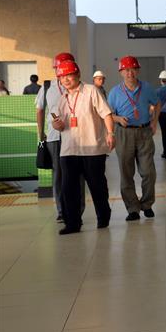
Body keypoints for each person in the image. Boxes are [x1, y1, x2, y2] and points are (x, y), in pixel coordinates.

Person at [51, 60, 115, 235]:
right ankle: (72, 223)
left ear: (77, 75)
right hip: (69, 150)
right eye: (62, 77)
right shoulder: (62, 99)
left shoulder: (91, 91)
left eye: (68, 75)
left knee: (97, 186)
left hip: (92, 148)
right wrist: (57, 124)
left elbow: (106, 113)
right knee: (68, 189)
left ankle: (103, 215)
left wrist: (110, 133)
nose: (65, 80)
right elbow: (61, 125)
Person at [106, 55, 160, 221]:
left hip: (144, 132)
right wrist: (118, 119)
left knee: (148, 172)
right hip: (124, 133)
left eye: (133, 69)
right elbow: (108, 114)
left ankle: (147, 204)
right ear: (121, 72)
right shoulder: (115, 92)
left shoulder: (147, 88)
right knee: (126, 172)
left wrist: (154, 121)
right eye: (126, 70)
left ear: (137, 71)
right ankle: (132, 209)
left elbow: (157, 104)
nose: (130, 73)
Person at [35, 52, 77, 221]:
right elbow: (40, 110)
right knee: (58, 174)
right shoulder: (47, 87)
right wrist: (40, 133)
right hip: (54, 138)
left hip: (75, 136)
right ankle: (61, 210)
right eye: (59, 68)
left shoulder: (77, 87)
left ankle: (75, 209)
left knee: (75, 174)